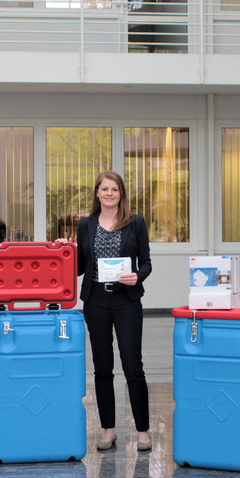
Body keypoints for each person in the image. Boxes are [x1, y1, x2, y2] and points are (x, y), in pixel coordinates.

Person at [59, 171, 153, 451]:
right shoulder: (86, 225)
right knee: (102, 368)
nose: (109, 193)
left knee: (133, 366)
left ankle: (143, 430)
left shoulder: (136, 222)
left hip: (126, 301)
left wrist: (138, 276)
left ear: (121, 194)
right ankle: (108, 430)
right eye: (104, 189)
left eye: (114, 189)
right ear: (97, 193)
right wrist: (65, 253)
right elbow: (79, 268)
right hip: (96, 301)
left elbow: (146, 263)